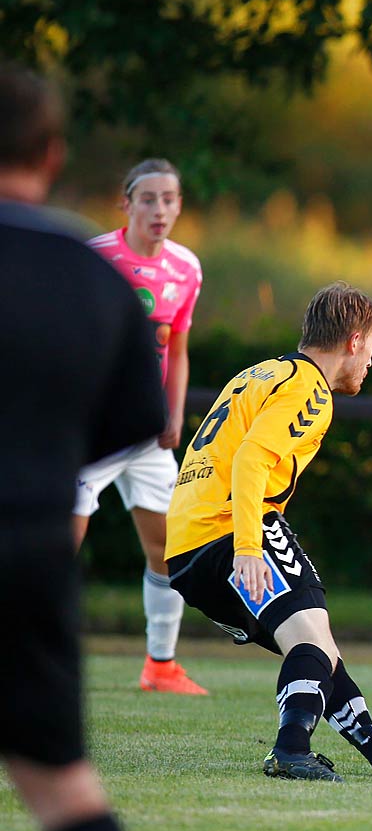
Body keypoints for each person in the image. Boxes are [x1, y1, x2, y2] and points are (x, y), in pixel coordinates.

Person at [0, 61, 190, 831]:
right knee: (65, 790)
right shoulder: (87, 274)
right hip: (28, 549)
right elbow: (130, 417)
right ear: (53, 156)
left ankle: (164, 662)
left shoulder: (154, 269)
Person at [163, 282, 372, 782]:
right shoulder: (309, 388)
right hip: (234, 530)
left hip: (185, 547)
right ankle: (290, 751)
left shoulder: (262, 373)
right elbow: (250, 460)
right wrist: (248, 546)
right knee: (311, 640)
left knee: (314, 647)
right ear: (353, 340)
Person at [74, 158, 206, 695]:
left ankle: (161, 666)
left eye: (169, 199)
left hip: (146, 436)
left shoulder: (187, 267)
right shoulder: (96, 258)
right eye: (148, 199)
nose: (160, 209)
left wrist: (173, 414)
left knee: (170, 550)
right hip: (91, 430)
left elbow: (177, 347)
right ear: (125, 204)